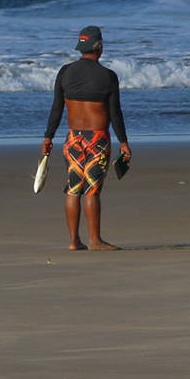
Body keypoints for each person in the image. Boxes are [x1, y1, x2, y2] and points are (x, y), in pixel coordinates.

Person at [41, 25, 131, 251]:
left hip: (73, 139)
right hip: (97, 139)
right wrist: (124, 142)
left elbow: (57, 108)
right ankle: (95, 240)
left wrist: (48, 136)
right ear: (99, 47)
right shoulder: (108, 76)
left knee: (73, 188)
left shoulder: (64, 72)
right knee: (91, 190)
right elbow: (115, 113)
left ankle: (74, 241)